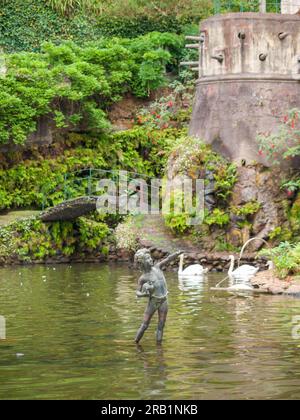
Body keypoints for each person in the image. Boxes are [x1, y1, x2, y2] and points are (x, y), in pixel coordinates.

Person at [134, 248, 182, 344]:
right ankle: (135, 342)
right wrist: (143, 294)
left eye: (150, 258)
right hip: (153, 302)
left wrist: (177, 253)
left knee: (161, 325)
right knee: (145, 325)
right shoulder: (143, 278)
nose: (150, 260)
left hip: (164, 300)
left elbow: (168, 259)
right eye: (147, 259)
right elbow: (137, 292)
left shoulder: (158, 267)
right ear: (142, 262)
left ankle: (159, 347)